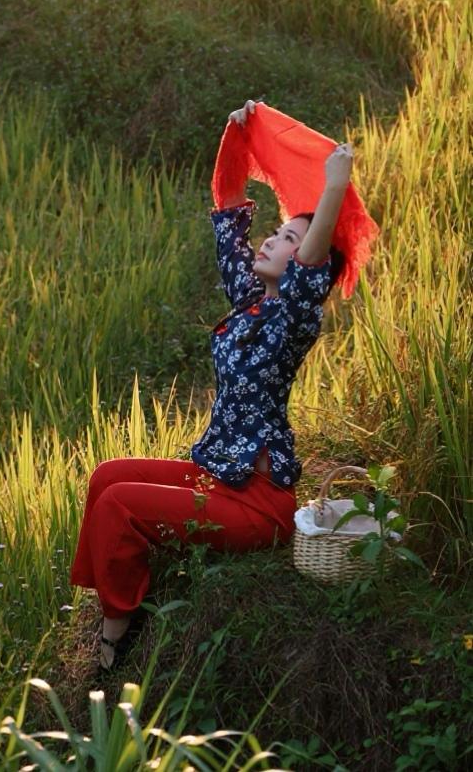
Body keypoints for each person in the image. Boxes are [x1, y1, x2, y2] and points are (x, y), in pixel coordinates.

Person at [70, 99, 353, 670]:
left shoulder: (294, 318)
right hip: (216, 474)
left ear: (306, 264)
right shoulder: (251, 303)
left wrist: (334, 186)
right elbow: (227, 206)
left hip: (259, 503)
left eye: (286, 237)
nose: (272, 240)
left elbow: (317, 252)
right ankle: (117, 596)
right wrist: (236, 133)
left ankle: (114, 636)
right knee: (106, 478)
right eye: (274, 232)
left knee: (121, 504)